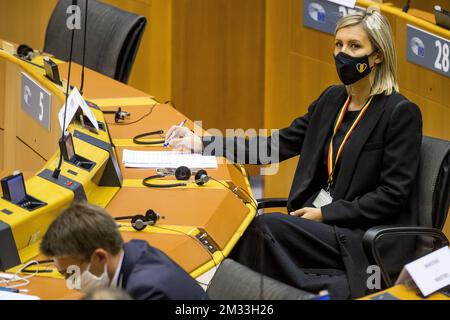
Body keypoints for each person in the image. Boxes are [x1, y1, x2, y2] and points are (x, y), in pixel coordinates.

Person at [165, 9, 423, 299]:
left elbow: (392, 194)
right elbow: (277, 145)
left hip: (356, 233)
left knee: (263, 228)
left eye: (354, 46)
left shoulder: (399, 113)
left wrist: (325, 213)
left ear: (377, 55)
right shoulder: (332, 99)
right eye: (338, 44)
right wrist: (205, 144)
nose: (343, 54)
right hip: (320, 223)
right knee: (251, 228)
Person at [40, 202, 209, 300]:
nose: (69, 282)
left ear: (99, 257)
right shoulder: (134, 250)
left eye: (70, 273)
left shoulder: (146, 291)